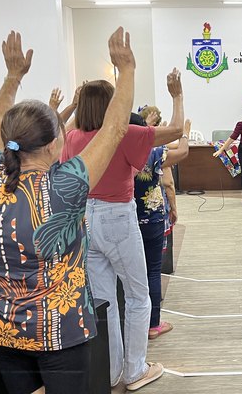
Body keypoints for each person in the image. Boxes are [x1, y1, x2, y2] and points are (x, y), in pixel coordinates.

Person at [0, 28, 136, 394]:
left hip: (2, 327)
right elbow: (114, 129)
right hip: (59, 329)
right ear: (54, 144)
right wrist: (126, 70)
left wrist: (13, 77)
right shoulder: (65, 186)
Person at [61, 68, 185, 391]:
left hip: (84, 219)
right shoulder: (122, 134)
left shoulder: (73, 137)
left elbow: (62, 136)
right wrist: (177, 96)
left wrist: (73, 106)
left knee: (105, 300)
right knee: (138, 295)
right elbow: (173, 132)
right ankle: (135, 370)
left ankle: (113, 369)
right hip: (118, 216)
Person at [136, 109, 190, 340]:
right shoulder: (155, 151)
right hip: (153, 217)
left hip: (130, 216)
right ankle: (153, 324)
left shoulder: (119, 150)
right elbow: (170, 177)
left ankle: (133, 324)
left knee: (133, 273)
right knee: (153, 270)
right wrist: (184, 133)